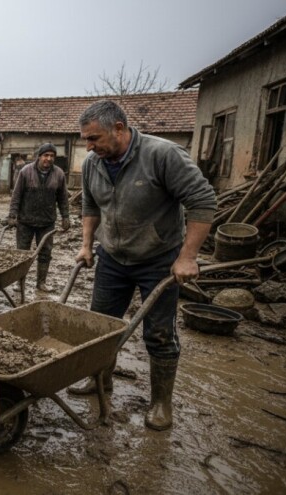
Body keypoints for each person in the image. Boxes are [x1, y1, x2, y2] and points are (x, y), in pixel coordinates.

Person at [69, 100, 216, 431]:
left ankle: (161, 403)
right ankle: (100, 382)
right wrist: (86, 245)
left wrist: (188, 256)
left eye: (93, 138)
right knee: (100, 327)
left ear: (119, 129)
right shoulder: (94, 164)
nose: (88, 147)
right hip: (112, 258)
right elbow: (91, 206)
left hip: (158, 260)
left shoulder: (162, 155)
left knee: (160, 334)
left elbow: (203, 200)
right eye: (85, 139)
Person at [6, 144, 70, 292]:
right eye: (46, 155)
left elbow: (62, 198)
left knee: (46, 253)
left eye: (52, 156)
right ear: (39, 156)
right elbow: (16, 196)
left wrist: (65, 216)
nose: (49, 158)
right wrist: (12, 215)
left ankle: (41, 282)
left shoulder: (59, 174)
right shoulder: (25, 172)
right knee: (22, 254)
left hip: (47, 222)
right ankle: (19, 282)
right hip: (25, 221)